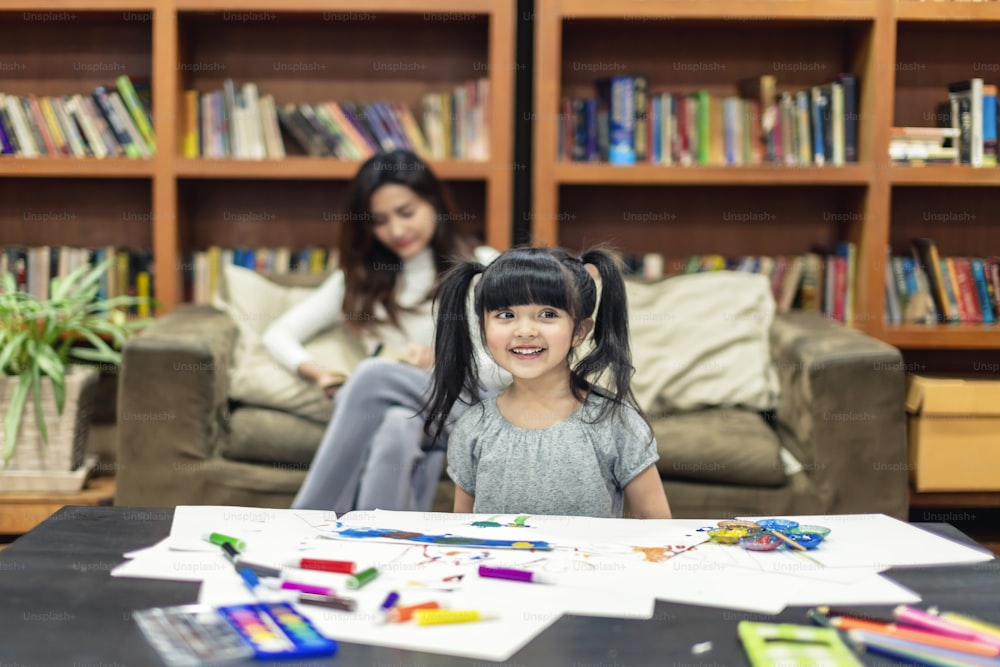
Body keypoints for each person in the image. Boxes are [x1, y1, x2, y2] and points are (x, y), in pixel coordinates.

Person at [262, 149, 507, 514]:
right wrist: (317, 373)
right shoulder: (359, 280)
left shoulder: (483, 264)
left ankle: (308, 517)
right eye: (380, 220)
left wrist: (444, 365)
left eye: (407, 213)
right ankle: (379, 540)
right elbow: (278, 333)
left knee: (373, 374)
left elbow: (506, 366)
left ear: (434, 202)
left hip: (472, 406)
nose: (396, 230)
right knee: (395, 423)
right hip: (413, 413)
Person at [423, 246, 672, 519]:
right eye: (506, 315)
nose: (525, 331)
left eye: (548, 314)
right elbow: (464, 534)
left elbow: (657, 528)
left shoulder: (616, 422)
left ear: (579, 330)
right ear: (483, 329)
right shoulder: (473, 428)